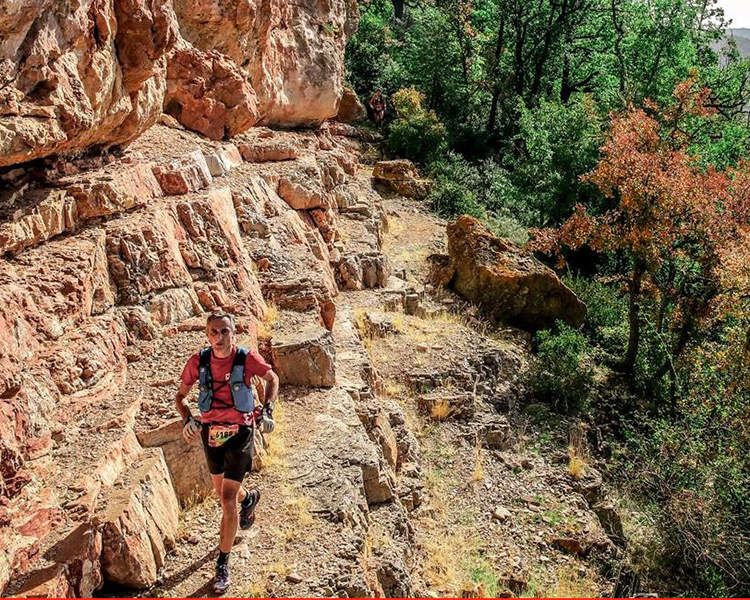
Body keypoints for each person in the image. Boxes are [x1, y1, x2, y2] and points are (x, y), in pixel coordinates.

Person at [175, 312, 279, 593]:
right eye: (213, 332)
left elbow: (272, 378)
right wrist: (188, 418)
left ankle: (223, 562)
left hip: (241, 432)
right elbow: (180, 396)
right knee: (221, 491)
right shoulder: (199, 361)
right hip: (212, 434)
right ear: (207, 334)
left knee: (226, 498)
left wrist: (267, 411)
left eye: (224, 331)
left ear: (234, 333)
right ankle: (250, 499)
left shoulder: (246, 359)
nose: (219, 337)